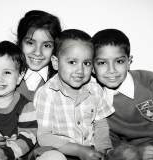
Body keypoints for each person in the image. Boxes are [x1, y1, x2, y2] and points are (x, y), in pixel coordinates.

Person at [0, 10, 62, 159]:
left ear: (55, 48)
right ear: (20, 42)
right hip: (2, 149)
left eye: (46, 45)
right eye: (30, 43)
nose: (37, 52)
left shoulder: (59, 82)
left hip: (43, 149)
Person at [33, 29, 115, 160]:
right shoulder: (46, 93)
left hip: (90, 151)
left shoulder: (96, 90)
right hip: (58, 152)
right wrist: (78, 150)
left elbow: (101, 126)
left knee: (126, 154)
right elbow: (43, 137)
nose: (80, 70)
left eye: (86, 63)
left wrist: (101, 152)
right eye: (72, 62)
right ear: (55, 62)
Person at [92, 28, 153, 160]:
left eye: (119, 61)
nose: (112, 70)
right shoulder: (95, 99)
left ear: (129, 62)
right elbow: (108, 140)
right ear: (92, 68)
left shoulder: (149, 81)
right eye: (102, 63)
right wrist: (137, 152)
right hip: (133, 151)